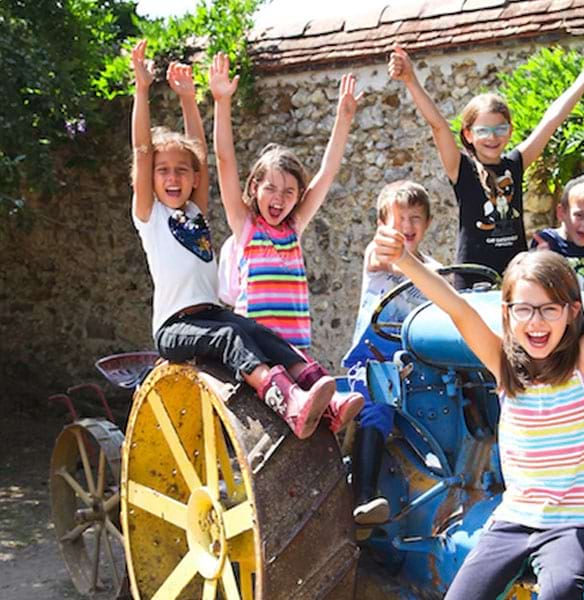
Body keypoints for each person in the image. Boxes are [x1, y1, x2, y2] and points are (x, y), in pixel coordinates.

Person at [372, 198, 584, 600]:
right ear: (508, 313)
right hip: (514, 519)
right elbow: (457, 309)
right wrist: (407, 262)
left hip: (573, 524)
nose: (536, 321)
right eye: (525, 309)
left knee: (561, 590)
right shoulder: (504, 365)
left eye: (549, 309)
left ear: (571, 311)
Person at [130, 39, 335, 440]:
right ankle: (283, 398)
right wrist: (141, 89)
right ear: (150, 179)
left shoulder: (194, 212)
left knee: (259, 331)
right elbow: (141, 149)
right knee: (230, 336)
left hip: (212, 314)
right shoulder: (149, 215)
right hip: (175, 327)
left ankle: (320, 393)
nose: (174, 178)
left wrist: (190, 99)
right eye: (163, 171)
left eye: (182, 172)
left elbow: (200, 154)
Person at [210, 52, 363, 433]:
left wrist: (343, 120)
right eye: (270, 188)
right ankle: (314, 407)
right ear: (254, 189)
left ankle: (331, 407)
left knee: (309, 381)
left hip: (293, 344)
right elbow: (225, 160)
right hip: (256, 346)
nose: (279, 198)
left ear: (297, 197)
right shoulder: (245, 225)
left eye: (289, 191)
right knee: (286, 391)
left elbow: (326, 174)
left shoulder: (293, 227)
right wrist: (222, 102)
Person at [388, 45, 584, 288]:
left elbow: (551, 121)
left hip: (515, 277)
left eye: (500, 129)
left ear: (510, 131)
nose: (492, 137)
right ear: (468, 134)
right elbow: (438, 126)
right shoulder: (461, 169)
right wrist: (410, 80)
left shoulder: (515, 164)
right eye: (483, 130)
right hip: (472, 278)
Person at [342, 180, 441, 525]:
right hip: (372, 359)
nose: (407, 226)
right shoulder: (379, 253)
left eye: (415, 218)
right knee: (380, 405)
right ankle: (363, 496)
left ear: (427, 224)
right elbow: (395, 265)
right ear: (382, 225)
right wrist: (436, 280)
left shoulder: (434, 266)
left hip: (416, 367)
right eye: (398, 218)